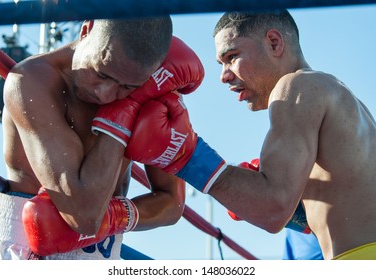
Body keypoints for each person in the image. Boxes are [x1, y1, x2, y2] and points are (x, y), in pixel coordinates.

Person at [123, 10, 376, 259]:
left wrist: (188, 156)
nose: (223, 76)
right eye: (221, 64)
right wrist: (296, 208)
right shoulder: (342, 98)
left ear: (274, 43)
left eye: (232, 56)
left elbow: (273, 208)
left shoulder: (297, 87)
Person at [0, 17, 205, 260]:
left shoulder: (150, 90)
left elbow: (172, 202)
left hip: (104, 256)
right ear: (86, 29)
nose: (105, 94)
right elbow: (84, 216)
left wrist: (116, 217)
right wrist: (123, 112)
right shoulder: (31, 81)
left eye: (127, 87)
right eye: (101, 73)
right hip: (27, 253)